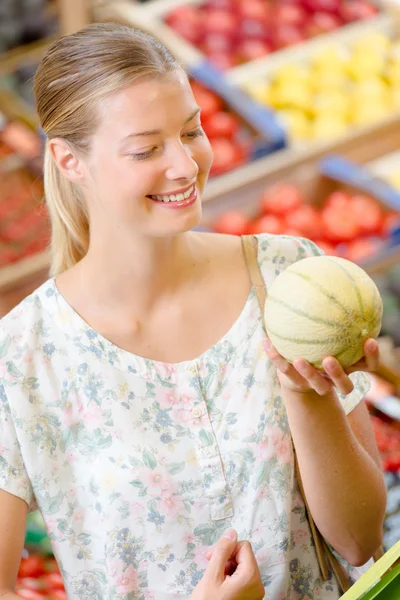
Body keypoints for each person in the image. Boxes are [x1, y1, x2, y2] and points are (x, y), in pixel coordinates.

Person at [0, 22, 386, 600]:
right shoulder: (21, 357)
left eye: (191, 130)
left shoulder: (288, 277)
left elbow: (360, 543)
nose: (184, 166)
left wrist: (309, 397)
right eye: (146, 149)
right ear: (68, 160)